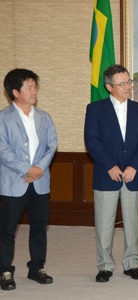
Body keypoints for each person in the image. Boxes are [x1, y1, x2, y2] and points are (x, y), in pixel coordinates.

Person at [84, 64, 138, 283]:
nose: (128, 87)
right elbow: (91, 141)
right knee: (104, 224)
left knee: (133, 223)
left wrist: (134, 166)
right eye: (122, 83)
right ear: (109, 86)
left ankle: (132, 263)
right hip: (107, 174)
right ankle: (105, 266)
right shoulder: (95, 109)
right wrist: (109, 166)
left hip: (133, 175)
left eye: (129, 82)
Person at [0, 68, 58, 291]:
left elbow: (51, 145)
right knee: (7, 230)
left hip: (40, 182)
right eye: (29, 87)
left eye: (35, 86)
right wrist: (27, 169)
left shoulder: (44, 117)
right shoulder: (3, 119)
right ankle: (5, 271)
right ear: (15, 92)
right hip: (14, 182)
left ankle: (37, 268)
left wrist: (38, 169)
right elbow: (3, 150)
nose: (34, 91)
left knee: (39, 227)